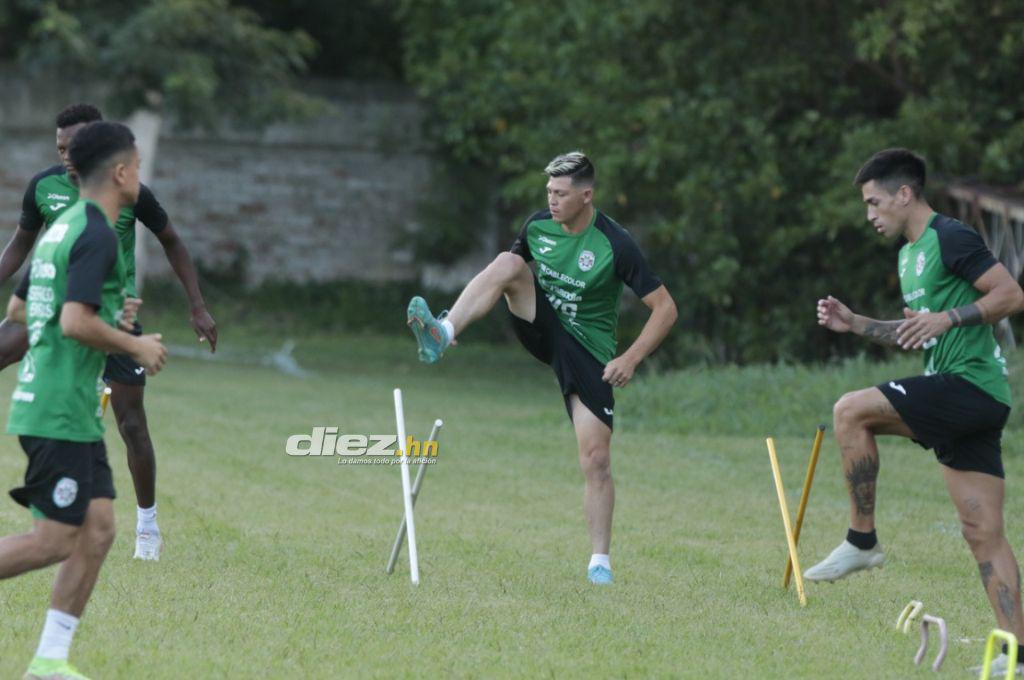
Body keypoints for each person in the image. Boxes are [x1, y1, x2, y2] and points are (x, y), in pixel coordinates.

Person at [406, 151, 677, 584]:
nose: (552, 200)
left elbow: (665, 309)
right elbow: (499, 278)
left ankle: (599, 564)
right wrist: (461, 319)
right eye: (549, 192)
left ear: (586, 196)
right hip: (542, 324)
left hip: (589, 352)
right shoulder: (537, 227)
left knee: (596, 459)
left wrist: (629, 358)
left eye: (561, 194)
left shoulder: (615, 243)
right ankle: (443, 331)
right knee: (509, 264)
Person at [805, 148, 1024, 673]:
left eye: (874, 202)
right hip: (968, 397)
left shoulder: (950, 237)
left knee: (850, 411)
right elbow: (917, 332)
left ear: (905, 194)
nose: (869, 214)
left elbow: (1011, 294)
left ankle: (863, 540)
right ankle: (1017, 657)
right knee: (982, 532)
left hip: (969, 387)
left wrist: (948, 319)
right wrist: (857, 324)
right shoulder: (908, 256)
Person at [0, 103, 217, 561]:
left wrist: (196, 305)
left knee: (131, 423)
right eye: (60, 147)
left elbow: (172, 240)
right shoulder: (45, 188)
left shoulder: (127, 192)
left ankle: (147, 527)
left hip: (113, 318)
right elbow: (21, 246)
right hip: (57, 308)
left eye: (74, 146)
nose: (66, 155)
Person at [0, 121, 167, 679]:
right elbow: (72, 321)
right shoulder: (95, 230)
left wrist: (107, 316)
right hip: (58, 406)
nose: (141, 179)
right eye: (138, 168)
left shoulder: (64, 225)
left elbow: (24, 310)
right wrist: (133, 341)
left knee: (98, 531)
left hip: (60, 402)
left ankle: (48, 662)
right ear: (120, 172)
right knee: (53, 540)